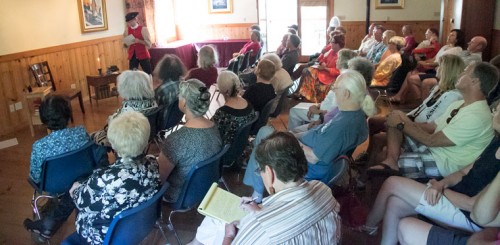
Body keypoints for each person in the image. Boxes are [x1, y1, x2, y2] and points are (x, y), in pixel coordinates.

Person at [362, 101, 500, 245]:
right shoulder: (496, 143)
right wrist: (441, 183)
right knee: (395, 203)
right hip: (458, 196)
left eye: (497, 110)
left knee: (392, 183)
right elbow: (464, 171)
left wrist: (439, 189)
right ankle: (376, 233)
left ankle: (367, 227)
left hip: (471, 217)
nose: (493, 112)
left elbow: (473, 206)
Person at [190, 131, 341, 245]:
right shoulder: (323, 190)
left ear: (269, 173)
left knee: (216, 223)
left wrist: (229, 236)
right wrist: (260, 211)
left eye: (260, 171)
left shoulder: (262, 229)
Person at [246, 70, 376, 199]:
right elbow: (322, 132)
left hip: (304, 164)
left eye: (335, 88)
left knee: (264, 136)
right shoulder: (352, 113)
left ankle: (257, 193)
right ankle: (257, 189)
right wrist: (297, 134)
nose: (333, 91)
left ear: (346, 94)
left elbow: (314, 157)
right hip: (303, 152)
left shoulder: (343, 126)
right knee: (266, 133)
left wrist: (290, 138)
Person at [368, 62, 498, 179]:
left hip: (443, 164)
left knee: (383, 154)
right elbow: (431, 127)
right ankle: (387, 164)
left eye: (465, 72)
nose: (460, 74)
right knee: (395, 116)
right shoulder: (459, 104)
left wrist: (401, 125)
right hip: (434, 150)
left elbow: (432, 141)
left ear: (475, 81)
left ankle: (376, 187)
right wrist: (401, 121)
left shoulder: (476, 116)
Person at [70, 111, 161, 244]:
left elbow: (80, 202)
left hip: (105, 236)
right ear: (146, 139)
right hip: (138, 227)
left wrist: (76, 188)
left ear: (113, 144)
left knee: (75, 190)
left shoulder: (105, 179)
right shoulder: (153, 164)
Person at [23, 95, 107, 240]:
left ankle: (48, 223)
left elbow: (36, 176)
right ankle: (51, 221)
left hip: (55, 185)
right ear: (68, 115)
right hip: (82, 176)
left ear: (44, 120)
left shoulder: (39, 146)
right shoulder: (81, 132)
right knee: (74, 184)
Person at [365, 54, 466, 164]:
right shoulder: (439, 88)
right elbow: (421, 108)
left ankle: (366, 171)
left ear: (447, 71)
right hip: (413, 120)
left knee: (378, 138)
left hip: (419, 130)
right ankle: (367, 158)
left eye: (440, 66)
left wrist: (403, 124)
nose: (436, 69)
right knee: (373, 121)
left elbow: (432, 124)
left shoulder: (453, 97)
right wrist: (404, 117)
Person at [157, 79, 222, 203]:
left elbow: (160, 179)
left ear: (184, 103)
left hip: (181, 195)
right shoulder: (215, 127)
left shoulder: (176, 140)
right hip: (207, 187)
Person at [287, 48, 357, 131]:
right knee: (298, 107)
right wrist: (318, 105)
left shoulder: (343, 80)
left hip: (325, 115)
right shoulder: (348, 76)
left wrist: (319, 111)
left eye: (338, 58)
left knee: (293, 111)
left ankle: (294, 137)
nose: (336, 61)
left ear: (343, 62)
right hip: (324, 109)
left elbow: (335, 108)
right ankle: (301, 130)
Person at [91, 70, 158, 147]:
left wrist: (110, 119)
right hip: (147, 134)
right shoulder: (153, 101)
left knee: (91, 137)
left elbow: (112, 126)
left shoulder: (128, 110)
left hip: (128, 140)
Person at [294, 32, 344, 103]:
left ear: (337, 44)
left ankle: (306, 95)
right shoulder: (332, 51)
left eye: (332, 42)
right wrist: (322, 63)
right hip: (323, 72)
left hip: (329, 76)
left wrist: (326, 68)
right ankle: (304, 94)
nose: (330, 43)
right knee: (306, 70)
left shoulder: (341, 55)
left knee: (307, 71)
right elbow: (322, 59)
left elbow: (339, 71)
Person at [211, 71, 256, 145]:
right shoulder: (248, 104)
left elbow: (212, 134)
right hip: (241, 145)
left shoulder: (222, 113)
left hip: (225, 150)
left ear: (223, 90)